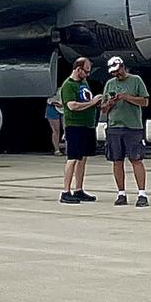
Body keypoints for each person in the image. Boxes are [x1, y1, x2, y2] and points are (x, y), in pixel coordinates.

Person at [101, 54, 151, 207]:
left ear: (123, 67)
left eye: (118, 71)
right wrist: (110, 103)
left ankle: (142, 193)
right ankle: (121, 193)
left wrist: (126, 97)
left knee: (136, 159)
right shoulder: (109, 84)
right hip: (114, 126)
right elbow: (103, 109)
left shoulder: (136, 80)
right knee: (117, 161)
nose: (116, 74)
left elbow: (145, 101)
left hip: (133, 127)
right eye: (113, 72)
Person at [57, 56, 100, 204]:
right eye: (86, 71)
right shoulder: (68, 85)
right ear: (78, 69)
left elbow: (85, 100)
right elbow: (72, 105)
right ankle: (66, 191)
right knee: (73, 157)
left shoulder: (83, 83)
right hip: (74, 125)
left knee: (82, 158)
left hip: (87, 124)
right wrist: (92, 103)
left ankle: (79, 189)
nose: (87, 75)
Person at [44, 88, 65, 155]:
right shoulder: (51, 85)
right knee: (56, 130)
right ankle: (57, 150)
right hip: (52, 106)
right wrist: (54, 102)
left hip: (65, 107)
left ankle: (68, 148)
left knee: (67, 129)